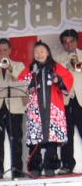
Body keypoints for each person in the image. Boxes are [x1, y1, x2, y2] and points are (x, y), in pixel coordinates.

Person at [18, 41, 74, 177]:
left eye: (42, 51)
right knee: (35, 142)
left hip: (53, 109)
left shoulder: (56, 67)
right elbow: (20, 85)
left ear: (48, 53)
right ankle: (35, 167)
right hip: (35, 111)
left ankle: (50, 166)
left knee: (52, 141)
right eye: (36, 52)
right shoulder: (30, 69)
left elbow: (68, 82)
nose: (39, 54)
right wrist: (29, 83)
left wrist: (58, 81)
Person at [0, 38, 26, 179]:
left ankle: (17, 171)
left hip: (13, 107)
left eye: (5, 50)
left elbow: (22, 80)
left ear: (10, 51)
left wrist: (10, 68)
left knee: (16, 141)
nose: (2, 53)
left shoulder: (19, 65)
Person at [59, 29, 82, 174]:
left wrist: (75, 63)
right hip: (65, 100)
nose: (69, 45)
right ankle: (67, 165)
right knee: (65, 135)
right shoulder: (57, 59)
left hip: (80, 99)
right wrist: (64, 66)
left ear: (76, 41)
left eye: (71, 41)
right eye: (65, 42)